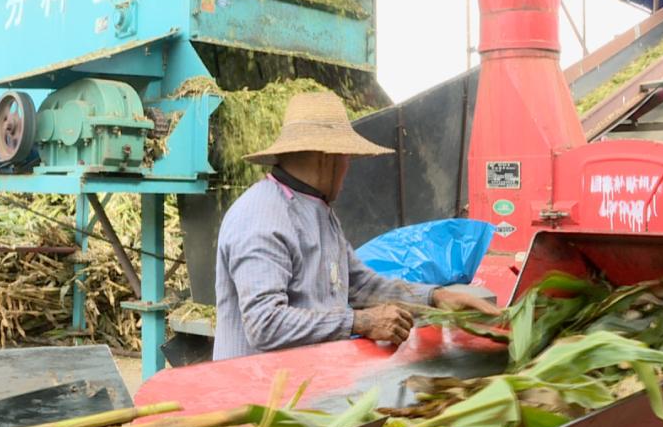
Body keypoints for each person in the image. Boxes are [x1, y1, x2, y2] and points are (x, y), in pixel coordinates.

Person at [212, 91, 498, 360]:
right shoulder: (262, 218)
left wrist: (436, 297)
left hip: (306, 388)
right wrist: (361, 321)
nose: (348, 168)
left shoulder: (319, 211)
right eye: (347, 157)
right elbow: (265, 324)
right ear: (328, 157)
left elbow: (360, 285)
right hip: (257, 399)